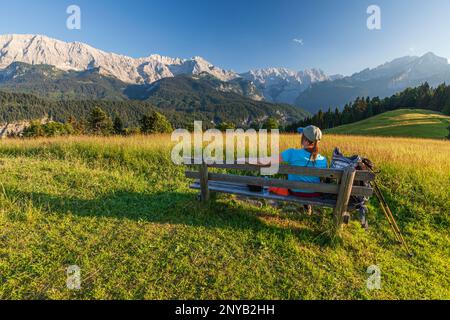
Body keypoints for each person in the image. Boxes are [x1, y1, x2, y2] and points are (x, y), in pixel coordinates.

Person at [279, 126, 328, 211]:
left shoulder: (292, 153)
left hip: (295, 191)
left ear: (305, 140)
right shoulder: (323, 160)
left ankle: (304, 208)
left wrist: (249, 160)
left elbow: (268, 161)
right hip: (314, 193)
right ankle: (306, 208)